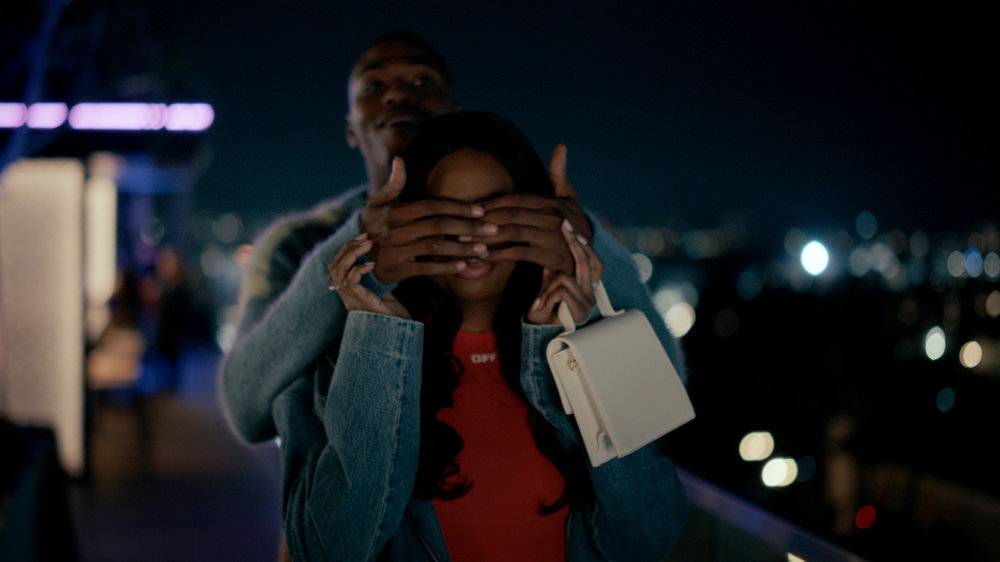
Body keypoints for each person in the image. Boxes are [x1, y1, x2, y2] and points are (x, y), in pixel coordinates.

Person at [219, 30, 683, 450]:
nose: (397, 94)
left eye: (422, 81)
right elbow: (246, 408)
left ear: (454, 114)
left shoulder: (528, 235)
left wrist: (587, 244)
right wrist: (358, 252)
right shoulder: (297, 244)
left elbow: (662, 392)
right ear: (350, 128)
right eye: (373, 86)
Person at [276, 111, 687, 561]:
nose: (473, 237)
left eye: (498, 215)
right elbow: (327, 551)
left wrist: (581, 339)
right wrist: (376, 344)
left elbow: (646, 538)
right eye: (446, 215)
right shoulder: (337, 366)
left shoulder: (583, 350)